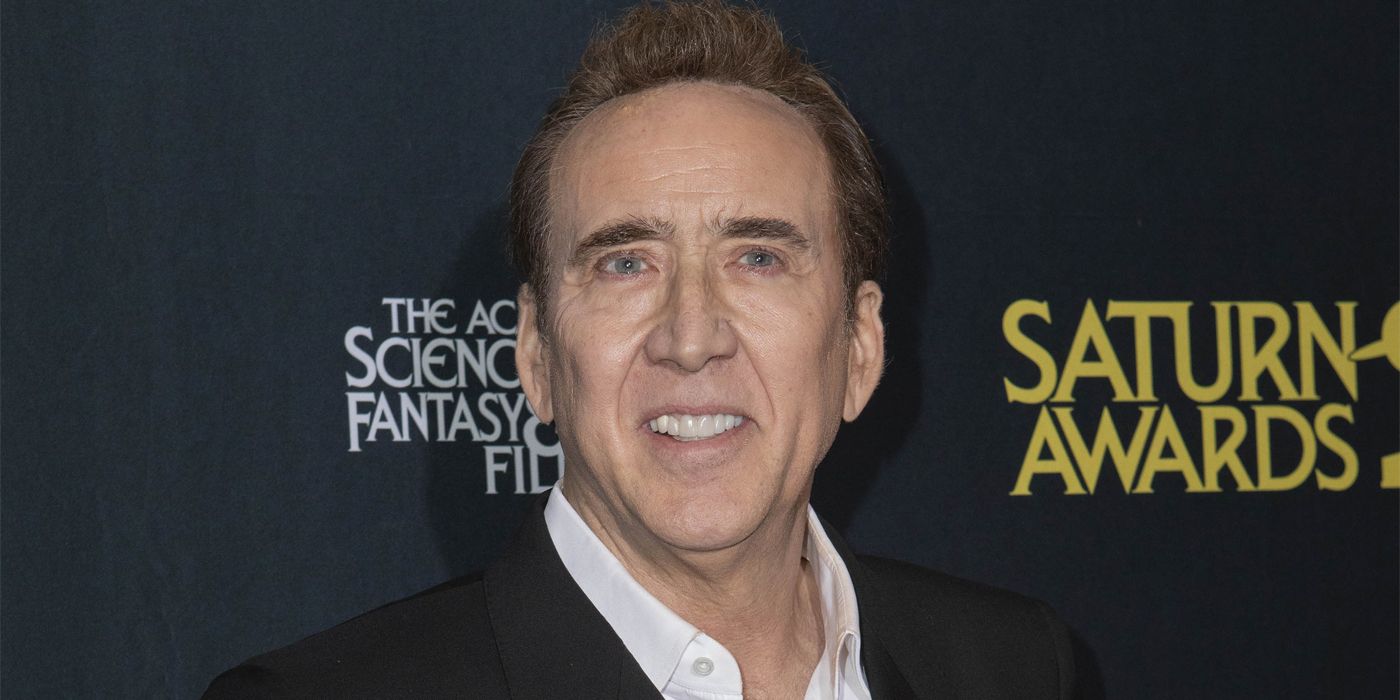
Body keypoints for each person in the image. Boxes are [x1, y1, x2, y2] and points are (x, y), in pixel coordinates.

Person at [206, 2, 1075, 698]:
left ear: (859, 347)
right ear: (536, 356)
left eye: (758, 258)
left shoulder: (1017, 670)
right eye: (626, 264)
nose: (691, 338)